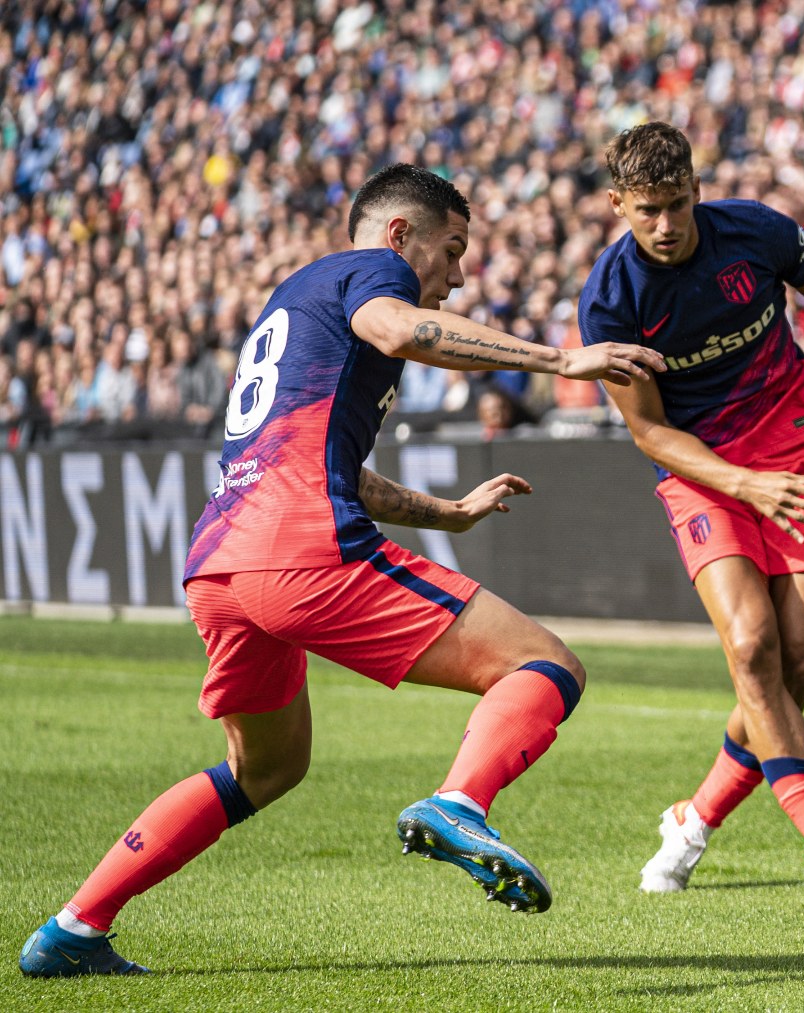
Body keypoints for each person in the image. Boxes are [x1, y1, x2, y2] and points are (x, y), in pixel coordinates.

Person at [18, 164, 666, 977]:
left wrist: (446, 513)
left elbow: (339, 465)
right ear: (400, 235)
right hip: (300, 548)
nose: (457, 276)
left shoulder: (295, 305)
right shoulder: (375, 273)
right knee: (545, 666)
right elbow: (401, 330)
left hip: (220, 563)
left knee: (267, 768)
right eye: (452, 250)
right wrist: (561, 361)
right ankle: (461, 801)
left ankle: (73, 928)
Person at [579, 123, 804, 900]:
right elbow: (650, 429)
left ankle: (693, 820)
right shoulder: (609, 300)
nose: (666, 224)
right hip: (704, 475)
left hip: (797, 448)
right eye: (647, 210)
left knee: (799, 666)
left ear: (696, 188)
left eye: (678, 204)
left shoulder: (756, 232)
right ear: (618, 204)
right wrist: (741, 485)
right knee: (753, 650)